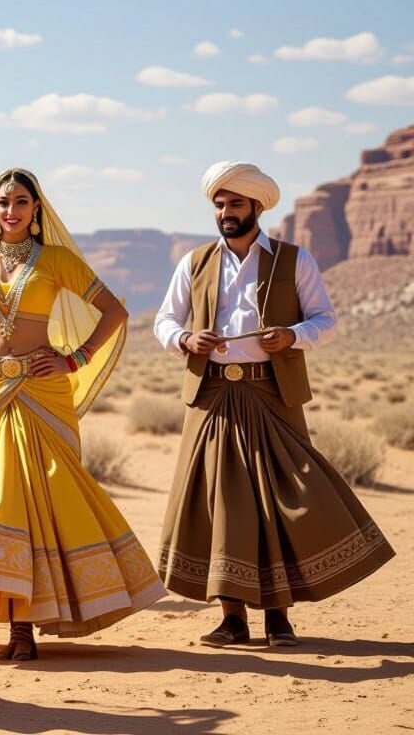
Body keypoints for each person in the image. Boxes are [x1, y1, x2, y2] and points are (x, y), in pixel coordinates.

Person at [0, 168, 165, 661]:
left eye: (21, 202)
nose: (11, 211)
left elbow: (114, 311)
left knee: (40, 497)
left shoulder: (55, 260)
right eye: (3, 202)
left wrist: (75, 357)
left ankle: (25, 626)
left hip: (40, 391)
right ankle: (9, 617)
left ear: (36, 210)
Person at [153, 161, 394, 647]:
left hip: (272, 394)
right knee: (221, 504)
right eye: (219, 204)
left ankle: (279, 617)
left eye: (235, 204)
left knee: (278, 502)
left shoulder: (294, 259)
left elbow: (325, 318)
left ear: (257, 207)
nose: (225, 212)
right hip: (213, 395)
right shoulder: (194, 262)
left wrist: (292, 335)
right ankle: (232, 618)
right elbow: (163, 319)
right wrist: (185, 338)